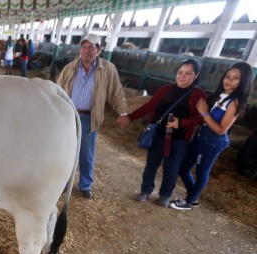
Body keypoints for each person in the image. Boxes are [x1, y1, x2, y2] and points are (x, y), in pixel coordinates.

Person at [171, 62, 254, 211]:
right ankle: (193, 196)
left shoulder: (234, 102)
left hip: (213, 141)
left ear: (243, 82)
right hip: (201, 136)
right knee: (183, 168)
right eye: (227, 76)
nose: (229, 80)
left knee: (202, 172)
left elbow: (221, 130)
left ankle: (189, 202)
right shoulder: (219, 95)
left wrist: (204, 113)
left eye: (236, 78)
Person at [125, 59, 207, 207]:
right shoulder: (165, 90)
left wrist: (181, 123)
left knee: (172, 169)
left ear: (196, 76)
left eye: (188, 73)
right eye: (180, 72)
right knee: (151, 166)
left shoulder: (198, 95)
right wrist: (130, 117)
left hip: (180, 140)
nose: (182, 76)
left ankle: (165, 195)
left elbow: (202, 118)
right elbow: (149, 106)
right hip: (158, 136)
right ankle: (145, 190)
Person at [56, 33, 129, 199]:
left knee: (86, 153)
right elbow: (58, 90)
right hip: (68, 116)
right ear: (80, 49)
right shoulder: (70, 68)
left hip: (89, 118)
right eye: (84, 47)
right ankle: (64, 183)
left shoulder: (107, 69)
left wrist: (123, 112)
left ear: (99, 50)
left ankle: (85, 185)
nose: (87, 51)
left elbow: (116, 93)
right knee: (66, 151)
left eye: (91, 47)